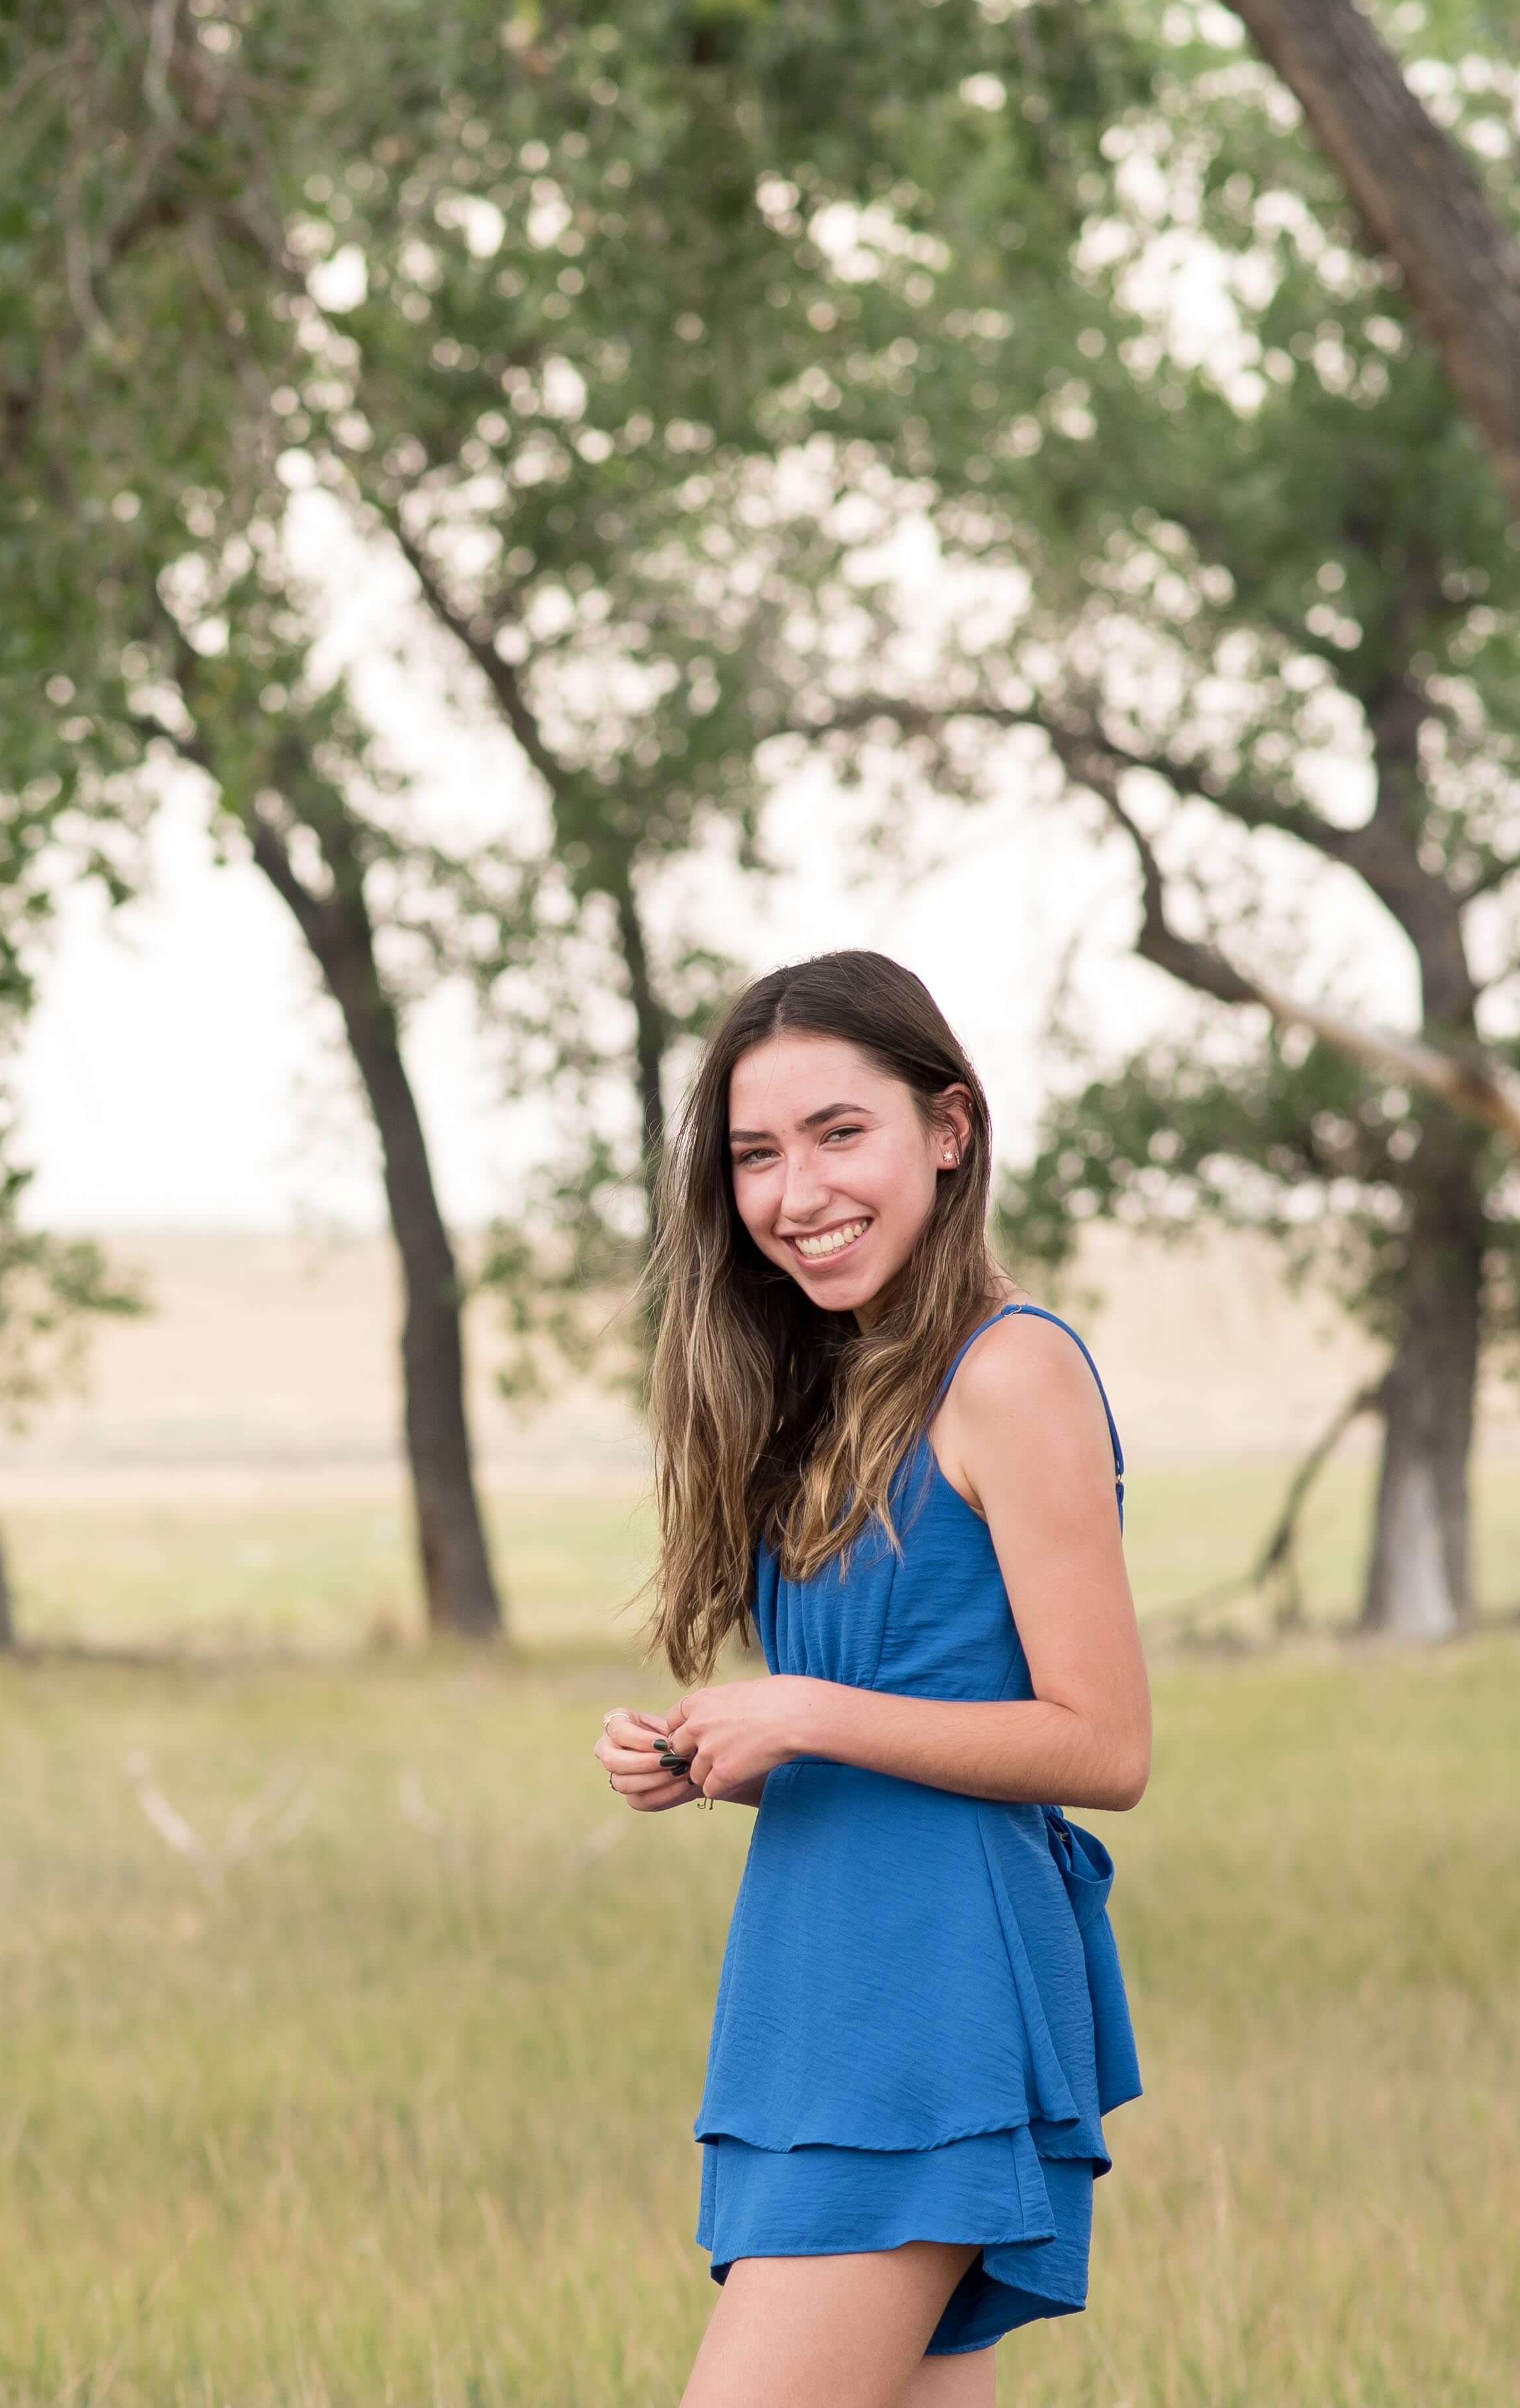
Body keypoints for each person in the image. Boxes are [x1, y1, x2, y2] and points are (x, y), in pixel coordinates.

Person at [591, 949, 1149, 2408]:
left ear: (947, 1130)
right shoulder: (838, 1385)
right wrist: (733, 1753)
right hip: (820, 1975)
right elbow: (922, 1697)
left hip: (933, 1993)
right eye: (756, 1156)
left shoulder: (1009, 1371)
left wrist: (805, 1708)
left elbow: (1105, 1744)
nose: (795, 1193)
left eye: (842, 1134)